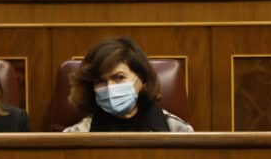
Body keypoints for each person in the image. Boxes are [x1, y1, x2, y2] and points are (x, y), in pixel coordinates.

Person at [64, 37, 193, 132]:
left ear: (141, 79)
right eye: (100, 81)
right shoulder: (78, 134)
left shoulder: (177, 130)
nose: (110, 87)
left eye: (119, 77)